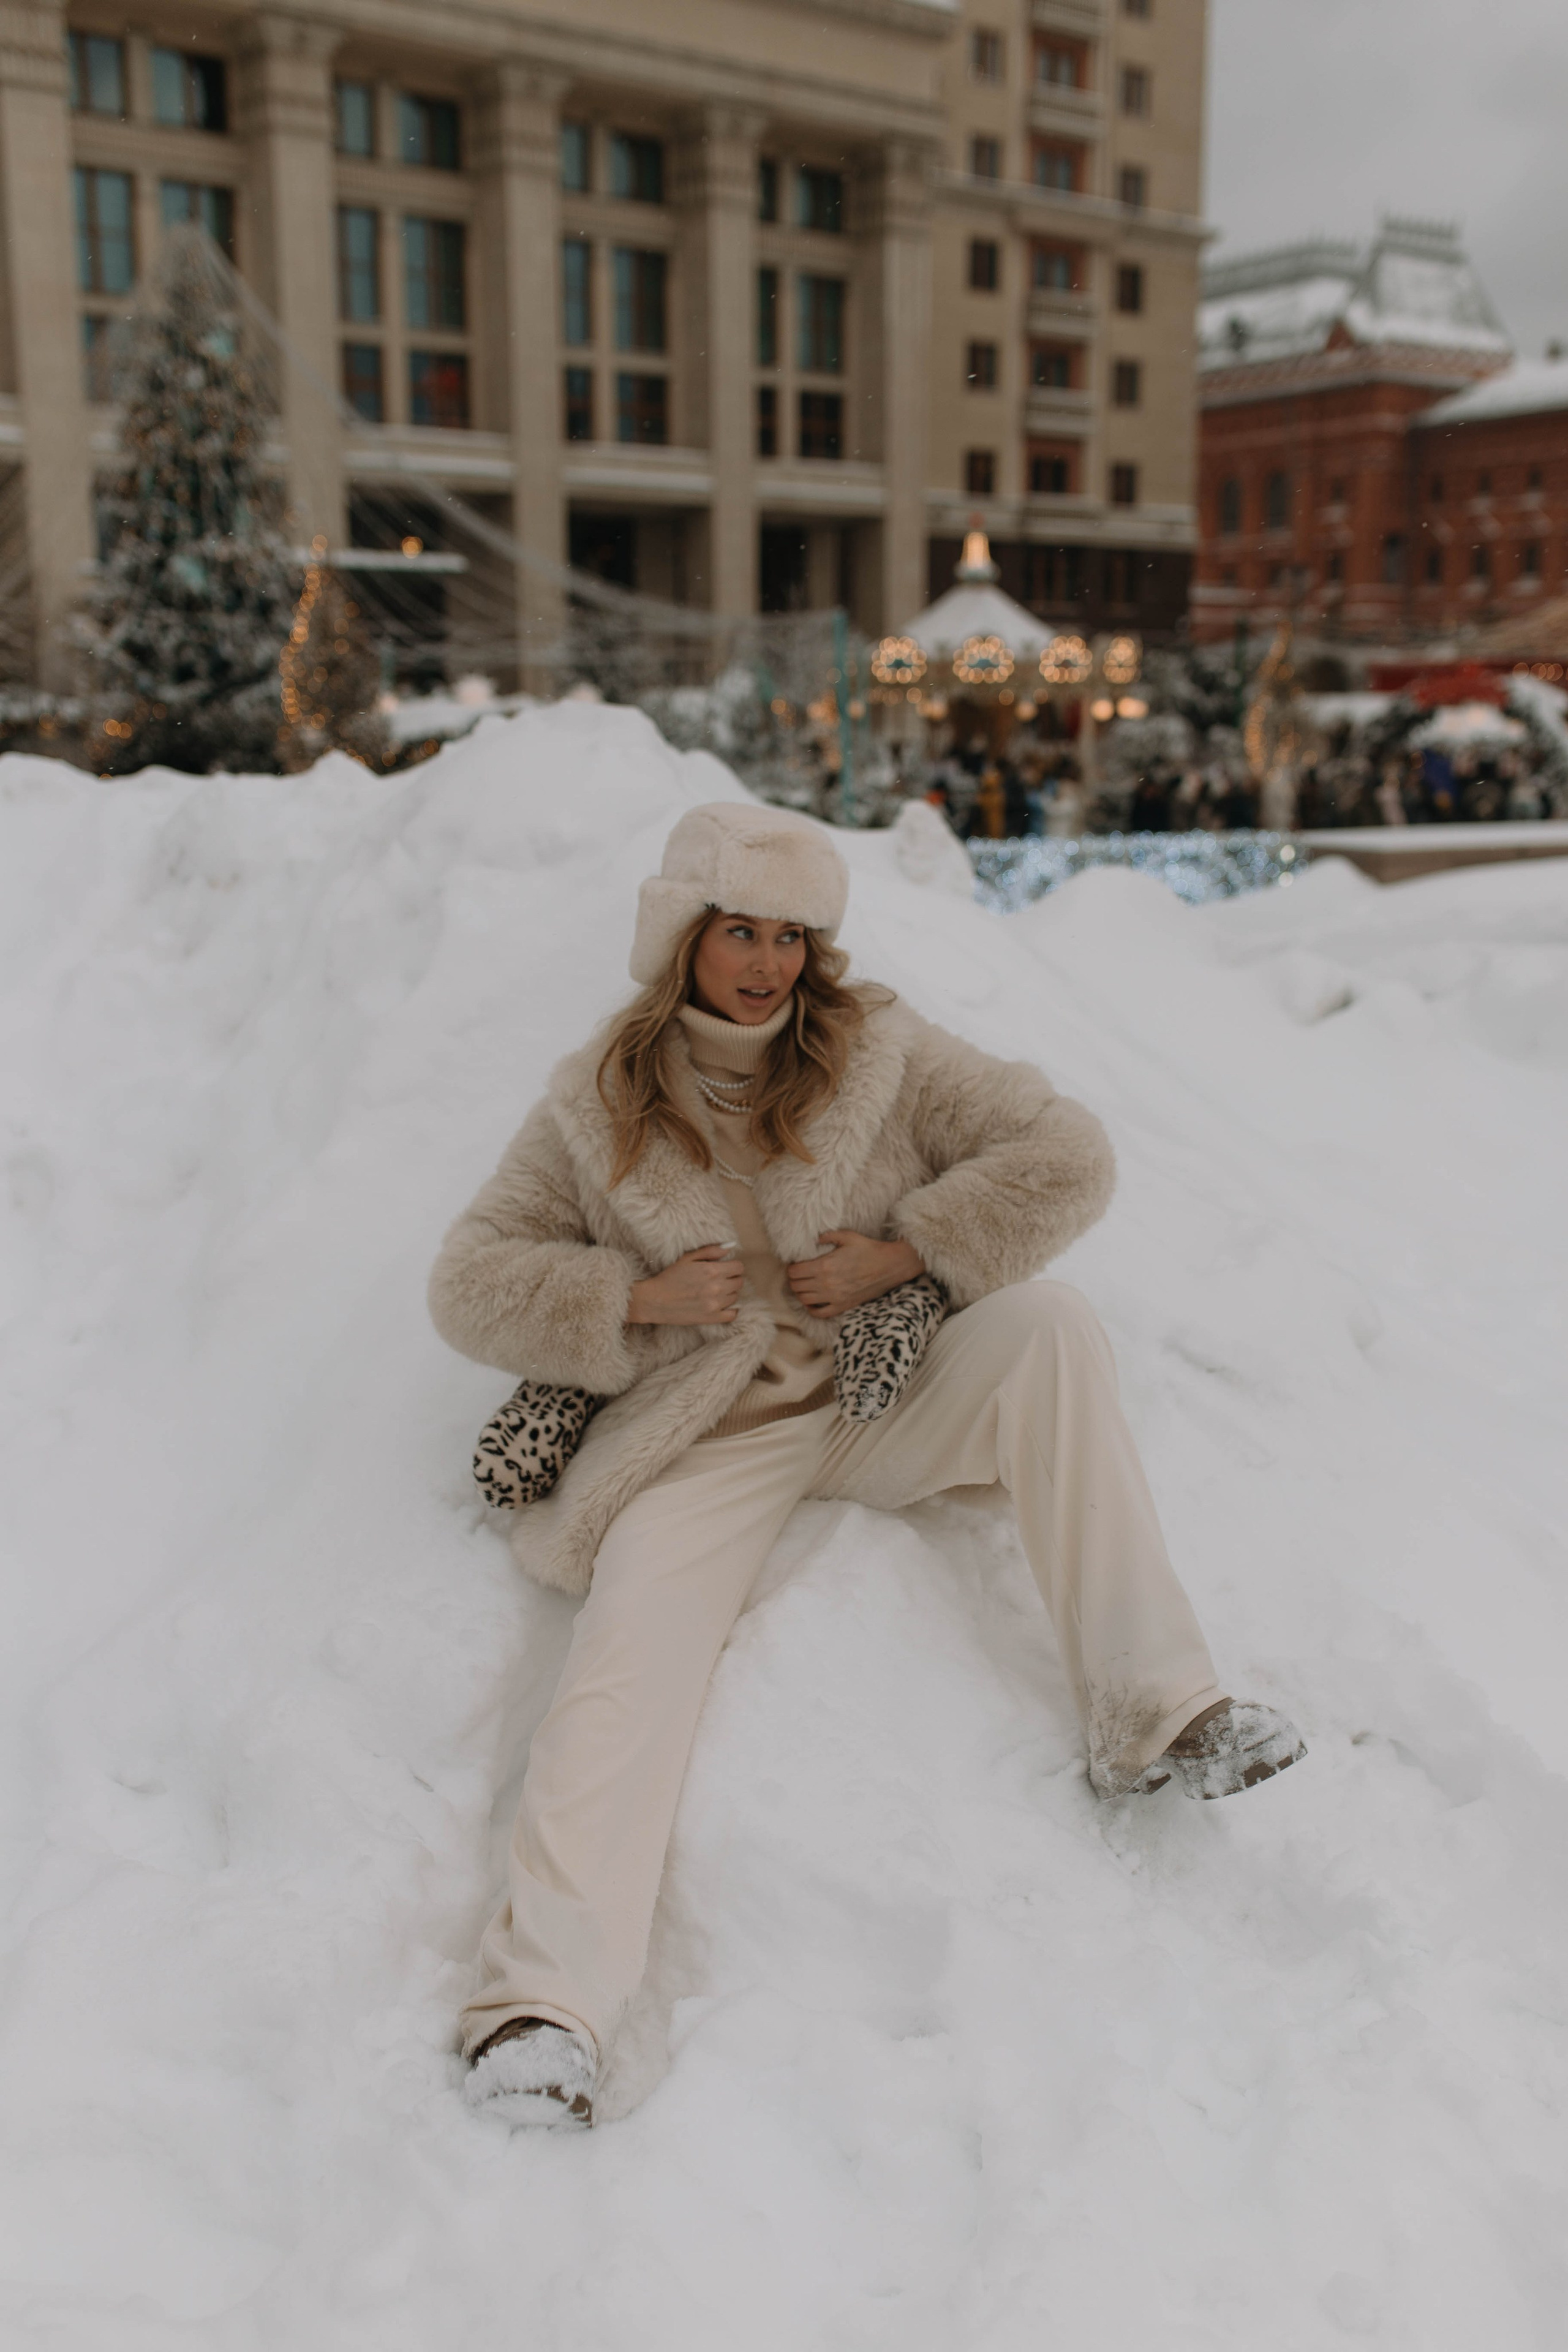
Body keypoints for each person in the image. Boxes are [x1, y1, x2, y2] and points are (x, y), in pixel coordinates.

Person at [429, 802, 1305, 2131]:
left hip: (869, 1396)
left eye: (791, 934)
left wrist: (908, 1253)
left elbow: (1067, 1157)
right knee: (623, 1668)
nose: (769, 964)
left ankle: (1156, 1712)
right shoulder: (595, 1103)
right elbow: (468, 1286)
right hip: (696, 1442)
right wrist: (639, 1300)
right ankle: (541, 2011)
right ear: (682, 938)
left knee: (1049, 1330)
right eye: (740, 931)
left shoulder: (880, 1053)